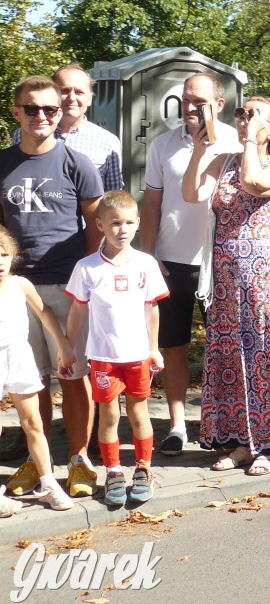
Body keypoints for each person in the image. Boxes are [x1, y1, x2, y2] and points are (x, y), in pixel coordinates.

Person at [184, 95, 270, 474]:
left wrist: (252, 142)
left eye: (254, 116)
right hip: (224, 271)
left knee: (265, 352)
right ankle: (239, 442)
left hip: (260, 270)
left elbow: (254, 183)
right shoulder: (224, 162)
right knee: (229, 352)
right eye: (241, 113)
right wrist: (199, 151)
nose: (243, 120)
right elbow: (192, 194)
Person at [0, 75, 103, 498]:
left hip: (68, 283)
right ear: (16, 112)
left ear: (60, 113)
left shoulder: (77, 163)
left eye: (50, 109)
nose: (41, 116)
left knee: (74, 374)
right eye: (31, 108)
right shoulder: (2, 163)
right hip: (18, 288)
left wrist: (90, 281)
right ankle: (36, 460)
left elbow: (96, 226)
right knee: (30, 380)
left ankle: (79, 459)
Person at [140, 72, 241, 457]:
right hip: (171, 264)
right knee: (173, 347)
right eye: (185, 99)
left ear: (217, 105)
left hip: (222, 263)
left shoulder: (236, 141)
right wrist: (148, 258)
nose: (189, 107)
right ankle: (178, 426)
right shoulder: (163, 145)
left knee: (225, 348)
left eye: (198, 100)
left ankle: (224, 425)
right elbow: (151, 204)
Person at [65, 190, 169, 506]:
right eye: (114, 224)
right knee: (109, 415)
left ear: (137, 223)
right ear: (100, 225)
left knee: (139, 412)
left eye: (127, 223)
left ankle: (144, 468)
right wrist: (68, 347)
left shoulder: (146, 264)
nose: (121, 230)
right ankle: (112, 471)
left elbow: (152, 309)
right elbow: (78, 310)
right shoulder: (87, 267)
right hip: (103, 358)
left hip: (137, 355)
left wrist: (154, 348)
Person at [0, 227, 75, 515]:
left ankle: (48, 485)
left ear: (13, 256)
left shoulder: (21, 285)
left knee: (33, 423)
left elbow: (45, 313)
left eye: (4, 255)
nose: (0, 262)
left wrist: (63, 345)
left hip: (18, 355)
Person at [11, 64, 123, 191]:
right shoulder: (24, 134)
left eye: (79, 92)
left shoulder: (108, 142)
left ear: (90, 99)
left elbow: (113, 197)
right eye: (64, 91)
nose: (72, 98)